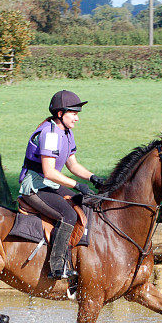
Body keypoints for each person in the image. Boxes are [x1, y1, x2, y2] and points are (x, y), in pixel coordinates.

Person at [19, 90, 105, 280]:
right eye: (73, 114)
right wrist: (76, 185)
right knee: (68, 214)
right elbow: (49, 171)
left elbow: (72, 164)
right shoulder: (49, 134)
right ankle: (57, 266)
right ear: (60, 114)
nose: (77, 119)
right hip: (34, 186)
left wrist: (93, 178)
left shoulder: (66, 133)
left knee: (85, 202)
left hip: (49, 184)